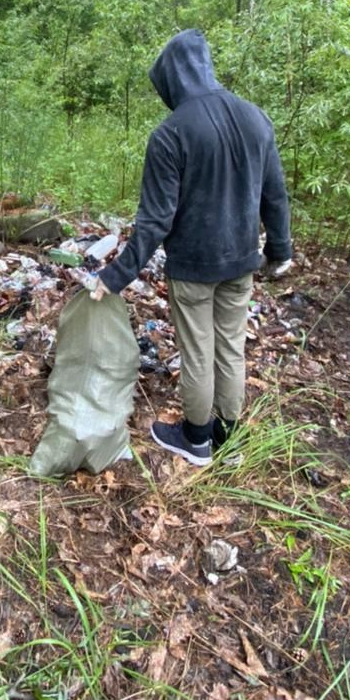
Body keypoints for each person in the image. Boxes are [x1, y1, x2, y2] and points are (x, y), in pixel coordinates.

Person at [91, 30, 292, 466]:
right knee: (230, 346)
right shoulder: (256, 118)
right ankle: (229, 436)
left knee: (199, 350)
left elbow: (155, 221)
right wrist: (280, 251)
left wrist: (114, 276)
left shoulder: (171, 134)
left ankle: (197, 438)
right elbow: (274, 195)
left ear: (173, 79)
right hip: (242, 261)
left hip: (194, 266)